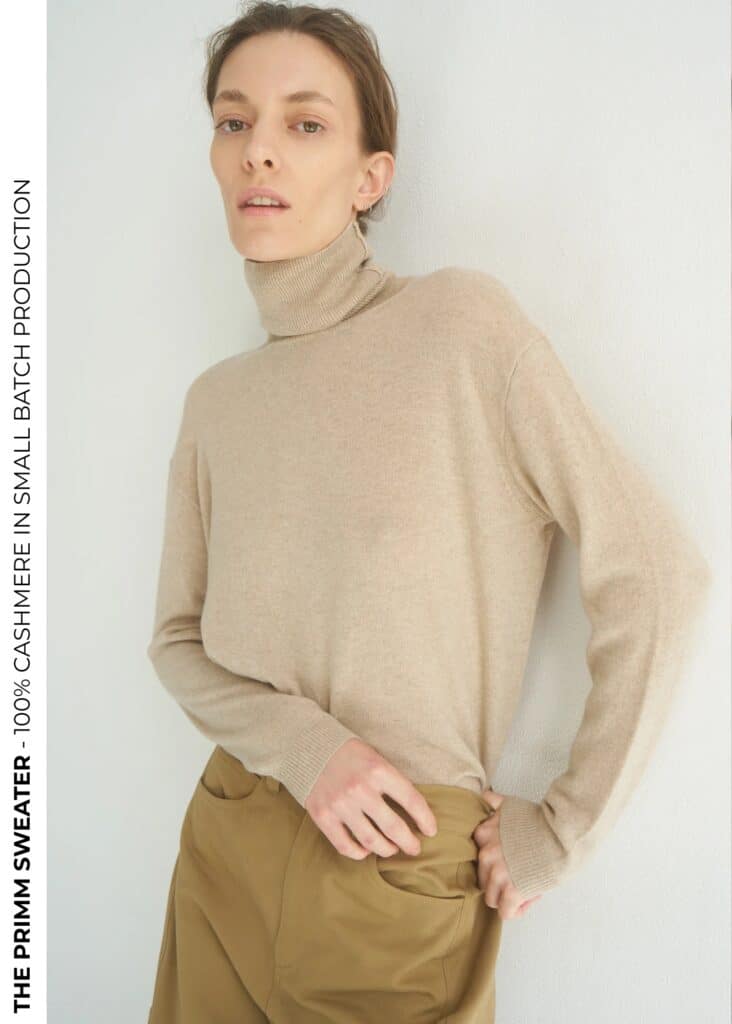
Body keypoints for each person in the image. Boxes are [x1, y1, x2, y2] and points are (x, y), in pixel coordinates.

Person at [145, 4, 712, 1022]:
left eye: (305, 123)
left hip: (398, 869)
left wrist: (563, 828)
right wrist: (305, 747)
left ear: (372, 178)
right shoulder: (216, 403)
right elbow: (178, 641)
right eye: (234, 121)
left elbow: (659, 573)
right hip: (227, 841)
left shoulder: (461, 330)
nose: (259, 149)